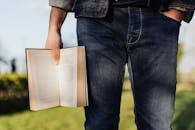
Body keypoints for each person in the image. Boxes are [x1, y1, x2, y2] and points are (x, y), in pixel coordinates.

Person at [45, 0, 195, 130]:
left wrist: (178, 10)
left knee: (157, 121)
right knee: (100, 121)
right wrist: (54, 28)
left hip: (157, 17)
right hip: (96, 23)